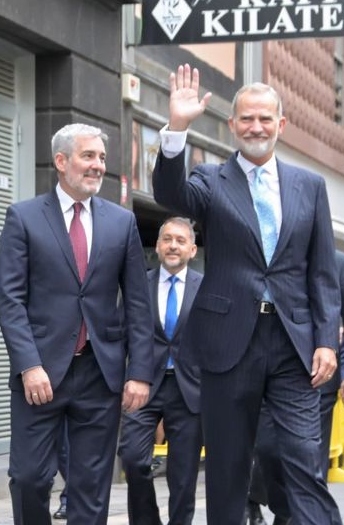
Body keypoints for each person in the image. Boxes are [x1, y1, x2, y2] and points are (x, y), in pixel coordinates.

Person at [153, 65, 342, 525]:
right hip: (227, 342)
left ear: (281, 124)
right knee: (227, 468)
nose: (255, 127)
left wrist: (326, 340)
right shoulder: (210, 179)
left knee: (301, 456)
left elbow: (322, 271)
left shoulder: (309, 187)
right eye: (246, 119)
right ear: (233, 125)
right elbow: (169, 193)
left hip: (294, 345)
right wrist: (177, 127)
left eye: (264, 119)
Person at [0, 123, 154, 525]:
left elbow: (137, 303)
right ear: (62, 161)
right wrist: (29, 365)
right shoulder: (24, 218)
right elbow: (9, 300)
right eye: (88, 156)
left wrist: (139, 372)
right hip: (41, 374)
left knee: (91, 485)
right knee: (30, 478)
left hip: (100, 374)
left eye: (101, 158)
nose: (98, 166)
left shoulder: (122, 223)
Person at [250, 249, 344, 524]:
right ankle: (286, 510)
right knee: (268, 450)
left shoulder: (340, 263)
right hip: (272, 374)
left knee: (309, 460)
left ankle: (297, 517)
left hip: (319, 382)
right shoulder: (276, 258)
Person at [118, 217, 204, 525]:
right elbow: (122, 331)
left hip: (190, 391)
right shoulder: (138, 283)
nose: (173, 245)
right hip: (144, 383)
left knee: (183, 476)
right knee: (132, 458)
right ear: (157, 245)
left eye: (181, 241)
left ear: (192, 250)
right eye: (167, 239)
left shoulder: (205, 287)